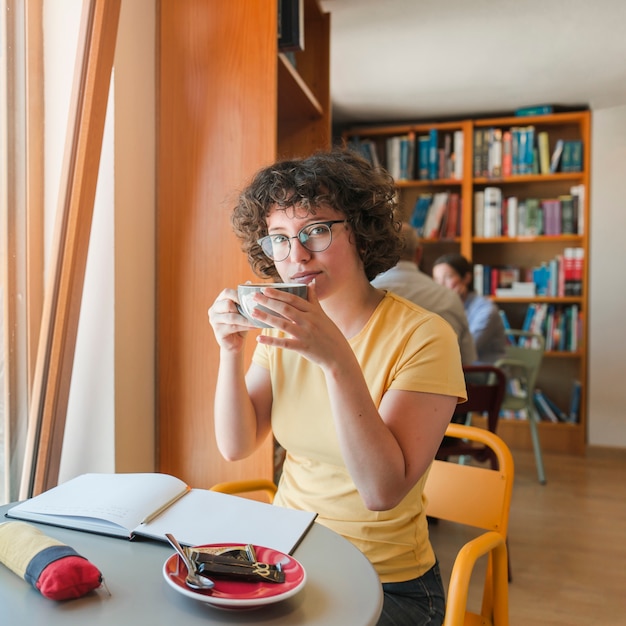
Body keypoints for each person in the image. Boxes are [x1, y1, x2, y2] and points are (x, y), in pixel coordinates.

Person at [208, 148, 466, 626]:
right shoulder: (281, 329)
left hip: (387, 581)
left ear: (362, 235)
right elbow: (237, 444)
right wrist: (229, 352)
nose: (297, 255)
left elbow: (381, 491)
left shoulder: (424, 336)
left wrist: (336, 360)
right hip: (285, 560)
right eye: (279, 239)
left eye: (316, 231)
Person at [372, 222, 477, 365]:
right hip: (443, 383)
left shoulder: (365, 293)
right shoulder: (450, 297)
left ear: (378, 252)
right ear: (419, 253)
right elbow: (467, 359)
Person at [432, 252, 507, 364]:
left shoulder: (486, 310)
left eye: (448, 277)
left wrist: (453, 301)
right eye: (436, 279)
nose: (441, 285)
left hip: (484, 372)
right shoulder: (442, 306)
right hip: (458, 368)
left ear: (466, 278)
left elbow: (465, 349)